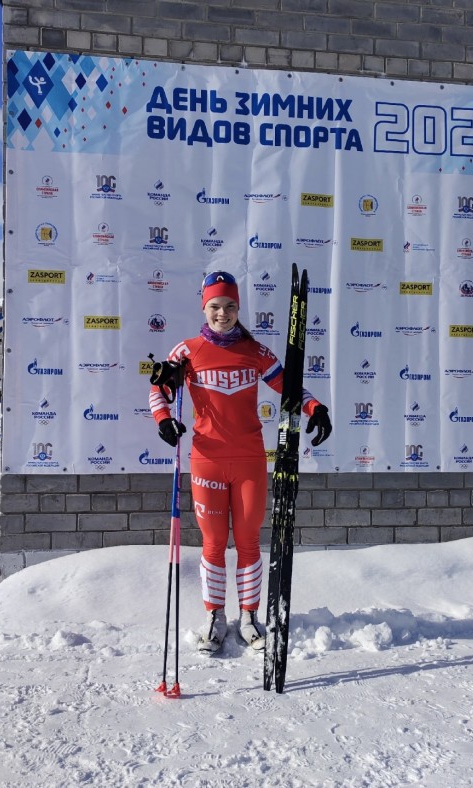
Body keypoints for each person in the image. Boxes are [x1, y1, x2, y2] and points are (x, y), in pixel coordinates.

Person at [148, 271, 332, 655]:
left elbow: (290, 387)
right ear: (205, 307)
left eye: (230, 306)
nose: (223, 313)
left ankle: (249, 617)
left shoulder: (254, 352)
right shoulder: (187, 351)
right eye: (215, 306)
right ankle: (215, 616)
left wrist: (315, 408)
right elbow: (158, 388)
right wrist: (163, 421)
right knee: (214, 543)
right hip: (207, 460)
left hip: (248, 459)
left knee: (248, 541)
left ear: (238, 308)